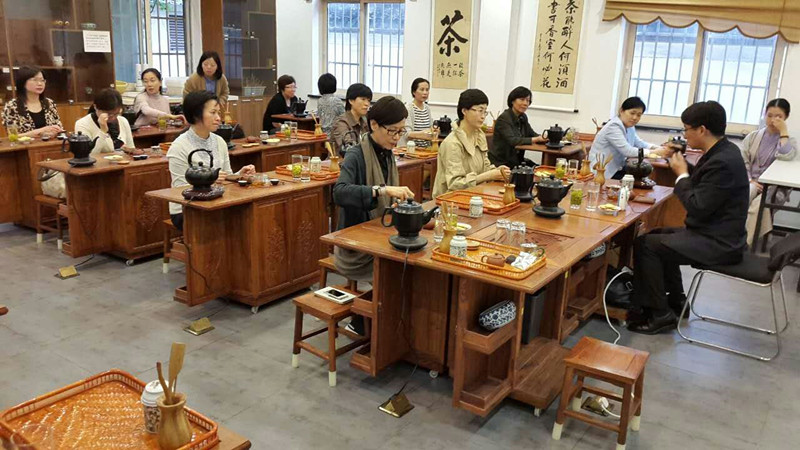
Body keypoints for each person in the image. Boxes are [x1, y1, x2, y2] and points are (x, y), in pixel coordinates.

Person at [628, 101, 749, 334]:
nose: (684, 135)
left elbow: (697, 206)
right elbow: (706, 183)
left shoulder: (722, 161)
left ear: (702, 130)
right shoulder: (723, 151)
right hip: (715, 233)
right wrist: (683, 166)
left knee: (647, 246)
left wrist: (682, 174)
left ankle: (660, 313)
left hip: (719, 242)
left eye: (686, 129)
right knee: (655, 235)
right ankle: (676, 300)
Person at [332, 96, 415, 334]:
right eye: (392, 131)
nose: (397, 137)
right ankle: (363, 322)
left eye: (401, 131)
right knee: (400, 271)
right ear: (374, 124)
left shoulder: (387, 153)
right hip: (356, 246)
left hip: (379, 234)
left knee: (413, 265)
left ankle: (392, 327)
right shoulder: (356, 154)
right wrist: (382, 190)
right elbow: (339, 192)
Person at [166, 91, 256, 231]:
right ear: (196, 115)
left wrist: (239, 175)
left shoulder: (219, 141)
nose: (218, 118)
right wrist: (209, 181)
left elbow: (226, 176)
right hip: (186, 209)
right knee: (234, 221)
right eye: (213, 112)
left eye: (218, 113)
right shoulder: (179, 147)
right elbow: (179, 190)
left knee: (250, 214)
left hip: (217, 201)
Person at [432, 89, 510, 197]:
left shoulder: (479, 136)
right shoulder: (452, 143)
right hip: (451, 200)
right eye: (480, 110)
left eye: (485, 112)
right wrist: (488, 175)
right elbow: (455, 184)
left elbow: (485, 167)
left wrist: (497, 171)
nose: (483, 116)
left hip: (475, 195)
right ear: (464, 111)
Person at [741, 98, 797, 246]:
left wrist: (783, 132)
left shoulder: (790, 141)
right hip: (751, 181)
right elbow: (742, 162)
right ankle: (734, 235)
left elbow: (787, 157)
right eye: (769, 115)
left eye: (778, 116)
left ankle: (745, 243)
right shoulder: (753, 137)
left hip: (774, 188)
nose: (773, 120)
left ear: (786, 117)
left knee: (758, 206)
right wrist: (750, 180)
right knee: (746, 193)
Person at [590, 96, 668, 178]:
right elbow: (627, 151)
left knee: (643, 176)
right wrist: (653, 152)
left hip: (617, 169)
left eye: (639, 115)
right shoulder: (613, 126)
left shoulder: (629, 126)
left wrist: (659, 148)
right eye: (632, 113)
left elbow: (639, 143)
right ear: (621, 111)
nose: (635, 118)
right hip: (603, 172)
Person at [489, 86, 547, 168]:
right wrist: (536, 139)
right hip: (502, 162)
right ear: (512, 101)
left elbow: (532, 134)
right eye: (522, 99)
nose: (525, 103)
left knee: (540, 168)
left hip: (517, 160)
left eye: (528, 100)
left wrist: (546, 138)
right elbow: (513, 141)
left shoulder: (523, 117)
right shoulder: (504, 118)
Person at [1, 66, 63, 138]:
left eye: (42, 80)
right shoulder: (12, 106)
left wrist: (55, 131)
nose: (40, 83)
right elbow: (12, 136)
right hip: (25, 145)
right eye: (35, 80)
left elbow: (59, 128)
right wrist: (39, 132)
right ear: (23, 82)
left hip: (50, 143)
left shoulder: (49, 103)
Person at [74, 88, 137, 155]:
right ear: (95, 107)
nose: (113, 118)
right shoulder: (82, 124)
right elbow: (88, 155)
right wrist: (103, 131)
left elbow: (131, 148)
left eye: (116, 113)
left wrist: (129, 150)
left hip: (122, 161)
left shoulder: (123, 121)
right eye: (108, 114)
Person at [331, 83, 372, 155]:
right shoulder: (341, 122)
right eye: (363, 99)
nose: (367, 104)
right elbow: (348, 147)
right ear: (351, 101)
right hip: (341, 160)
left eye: (368, 100)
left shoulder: (364, 121)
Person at [403, 77, 436, 148]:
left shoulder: (427, 108)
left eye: (427, 90)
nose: (425, 93)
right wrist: (423, 134)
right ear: (414, 92)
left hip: (427, 148)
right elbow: (407, 134)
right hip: (413, 149)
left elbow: (430, 129)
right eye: (422, 89)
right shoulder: (408, 108)